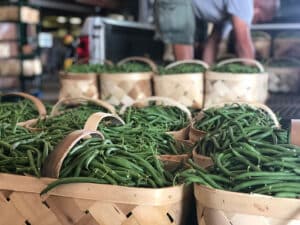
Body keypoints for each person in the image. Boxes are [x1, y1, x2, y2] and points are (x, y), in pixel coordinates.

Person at [155, 0, 280, 64]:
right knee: (186, 61)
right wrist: (253, 76)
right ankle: (184, 98)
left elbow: (214, 41)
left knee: (198, 46)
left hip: (191, 7)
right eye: (259, 19)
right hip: (178, 2)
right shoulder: (245, 3)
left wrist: (208, 70)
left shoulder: (231, 13)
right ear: (257, 10)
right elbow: (243, 44)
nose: (255, 22)